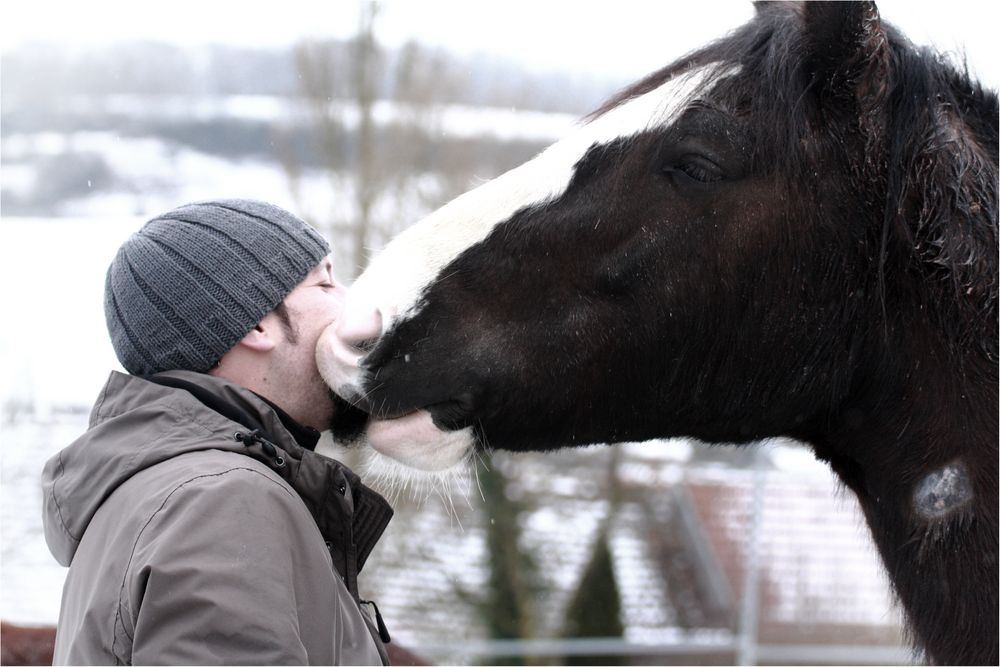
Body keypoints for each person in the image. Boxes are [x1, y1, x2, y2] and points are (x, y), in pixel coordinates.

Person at [41, 199, 393, 665]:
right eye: (325, 281)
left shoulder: (164, 489)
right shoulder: (221, 500)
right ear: (256, 323)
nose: (348, 302)